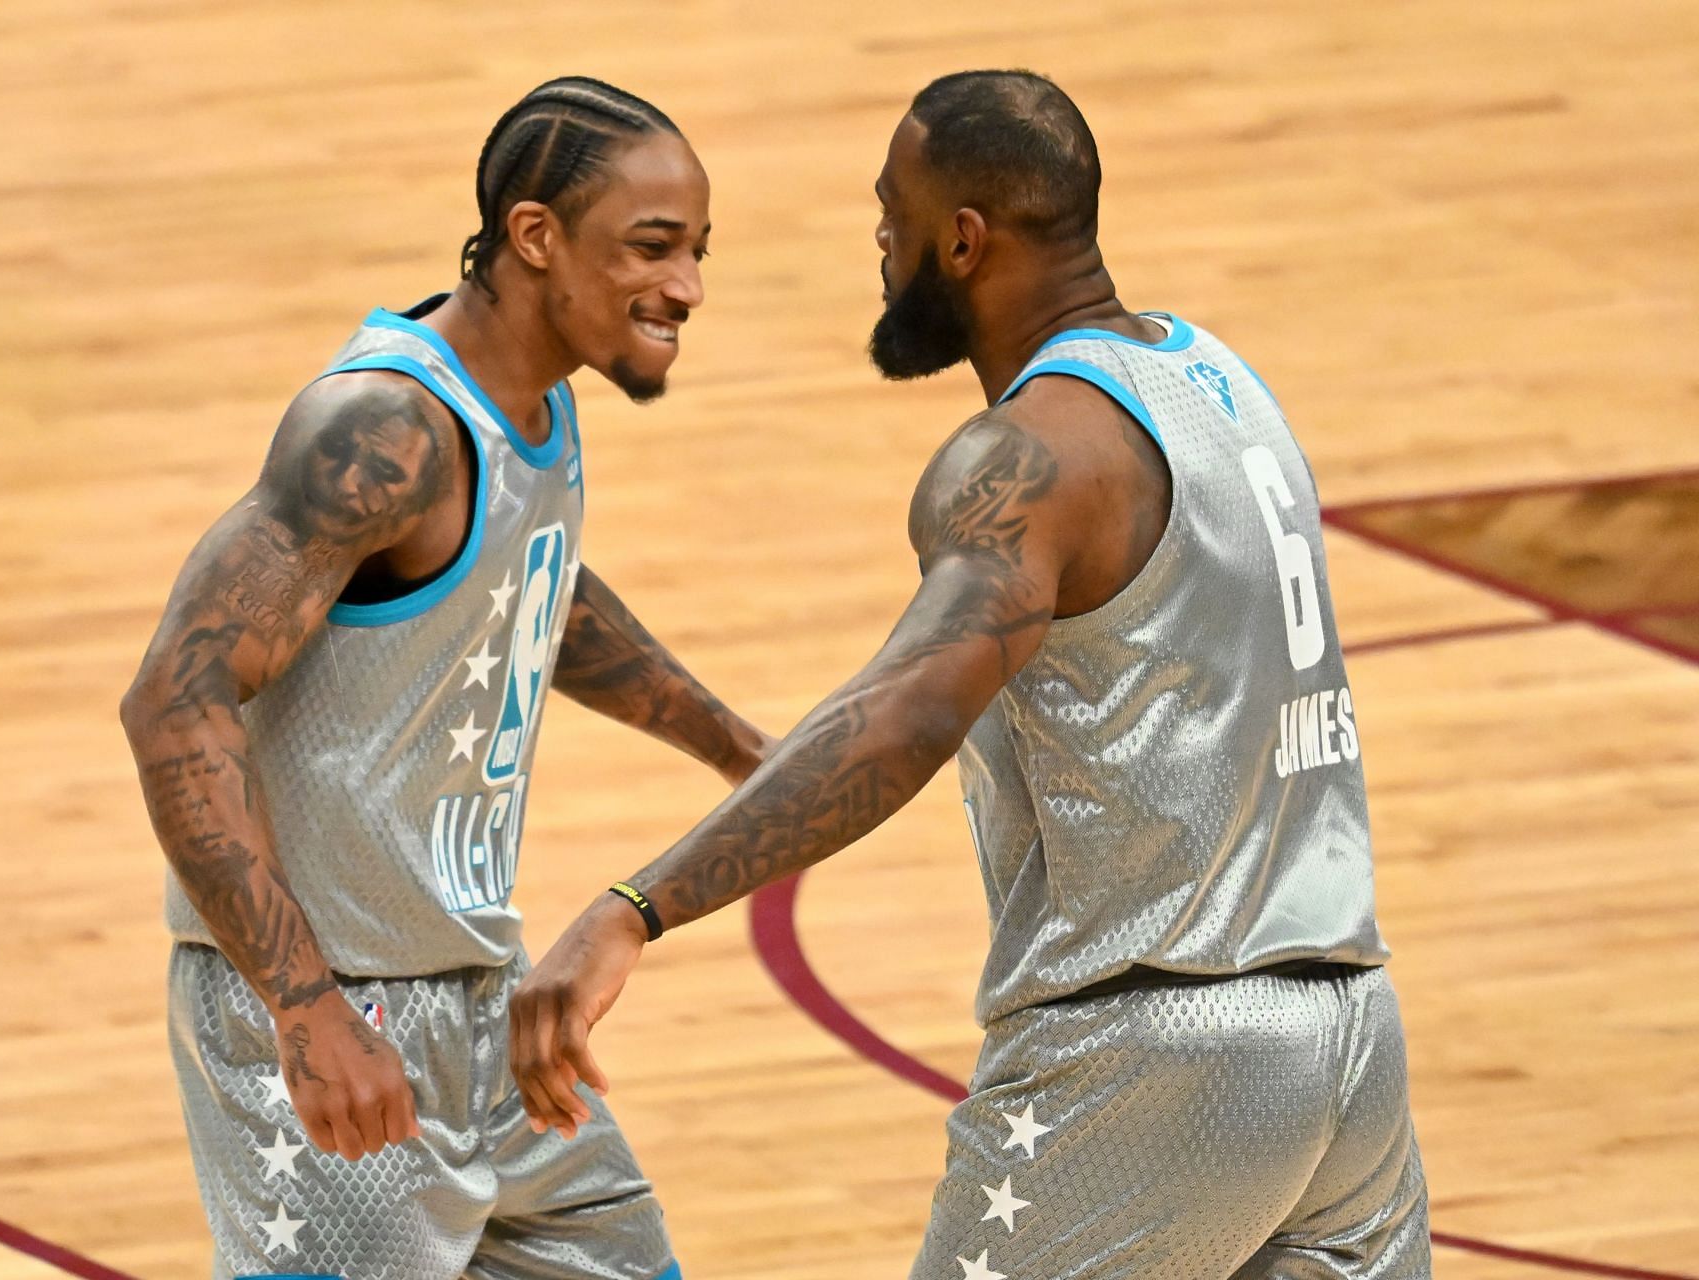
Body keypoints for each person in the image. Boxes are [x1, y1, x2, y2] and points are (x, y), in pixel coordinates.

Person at [510, 69, 1431, 1280]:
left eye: (892, 211)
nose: (880, 239)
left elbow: (908, 714)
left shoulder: (1027, 457)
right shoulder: (1221, 381)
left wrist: (636, 906)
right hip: (1348, 1045)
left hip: (1149, 1050)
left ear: (963, 239)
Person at [119, 75, 769, 1280]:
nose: (684, 286)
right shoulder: (381, 432)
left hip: (477, 992)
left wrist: (735, 745)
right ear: (535, 236)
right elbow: (174, 697)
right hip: (328, 997)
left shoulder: (537, 406)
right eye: (653, 248)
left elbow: (533, 584)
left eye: (697, 252)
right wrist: (305, 1010)